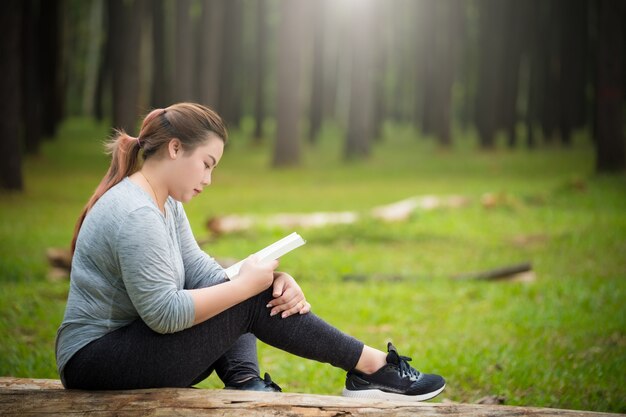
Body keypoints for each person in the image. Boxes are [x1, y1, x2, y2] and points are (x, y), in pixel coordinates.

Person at [55, 102, 445, 401]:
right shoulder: (136, 212)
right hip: (95, 361)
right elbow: (164, 314)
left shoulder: (164, 203)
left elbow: (205, 274)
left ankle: (246, 383)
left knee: (239, 282)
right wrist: (249, 289)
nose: (208, 179)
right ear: (175, 148)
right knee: (244, 296)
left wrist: (273, 280)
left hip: (126, 349)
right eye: (206, 164)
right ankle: (372, 368)